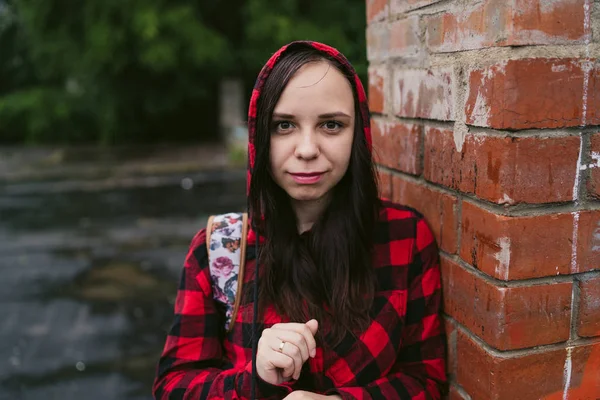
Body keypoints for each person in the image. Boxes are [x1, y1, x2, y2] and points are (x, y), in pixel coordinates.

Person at [152, 41, 447, 400]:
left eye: (332, 125)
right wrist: (254, 381)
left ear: (358, 133)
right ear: (260, 134)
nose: (307, 149)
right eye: (285, 125)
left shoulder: (406, 238)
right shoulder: (219, 250)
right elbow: (173, 388)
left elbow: (426, 381)